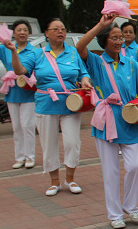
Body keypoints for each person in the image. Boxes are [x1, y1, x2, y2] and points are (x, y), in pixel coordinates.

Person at [76, 14, 138, 228]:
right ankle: (115, 215)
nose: (120, 41)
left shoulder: (131, 64)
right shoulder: (96, 61)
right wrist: (100, 24)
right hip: (106, 120)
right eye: (114, 37)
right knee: (110, 171)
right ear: (104, 41)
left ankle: (132, 207)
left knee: (135, 166)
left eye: (121, 37)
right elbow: (80, 46)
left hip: (129, 119)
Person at [7, 19, 92, 196]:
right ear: (47, 33)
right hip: (45, 105)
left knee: (72, 142)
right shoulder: (37, 54)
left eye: (63, 29)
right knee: (49, 144)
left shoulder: (73, 53)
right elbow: (20, 71)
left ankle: (70, 179)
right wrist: (14, 52)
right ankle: (54, 182)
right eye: (56, 29)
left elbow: (83, 74)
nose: (60, 31)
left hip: (70, 104)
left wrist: (85, 82)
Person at [0, 19, 37, 169]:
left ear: (28, 33)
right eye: (19, 30)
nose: (22, 33)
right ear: (14, 33)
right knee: (17, 127)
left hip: (28, 94)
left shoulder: (34, 51)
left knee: (28, 126)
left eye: (25, 30)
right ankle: (19, 158)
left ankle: (30, 157)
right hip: (12, 92)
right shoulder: (6, 48)